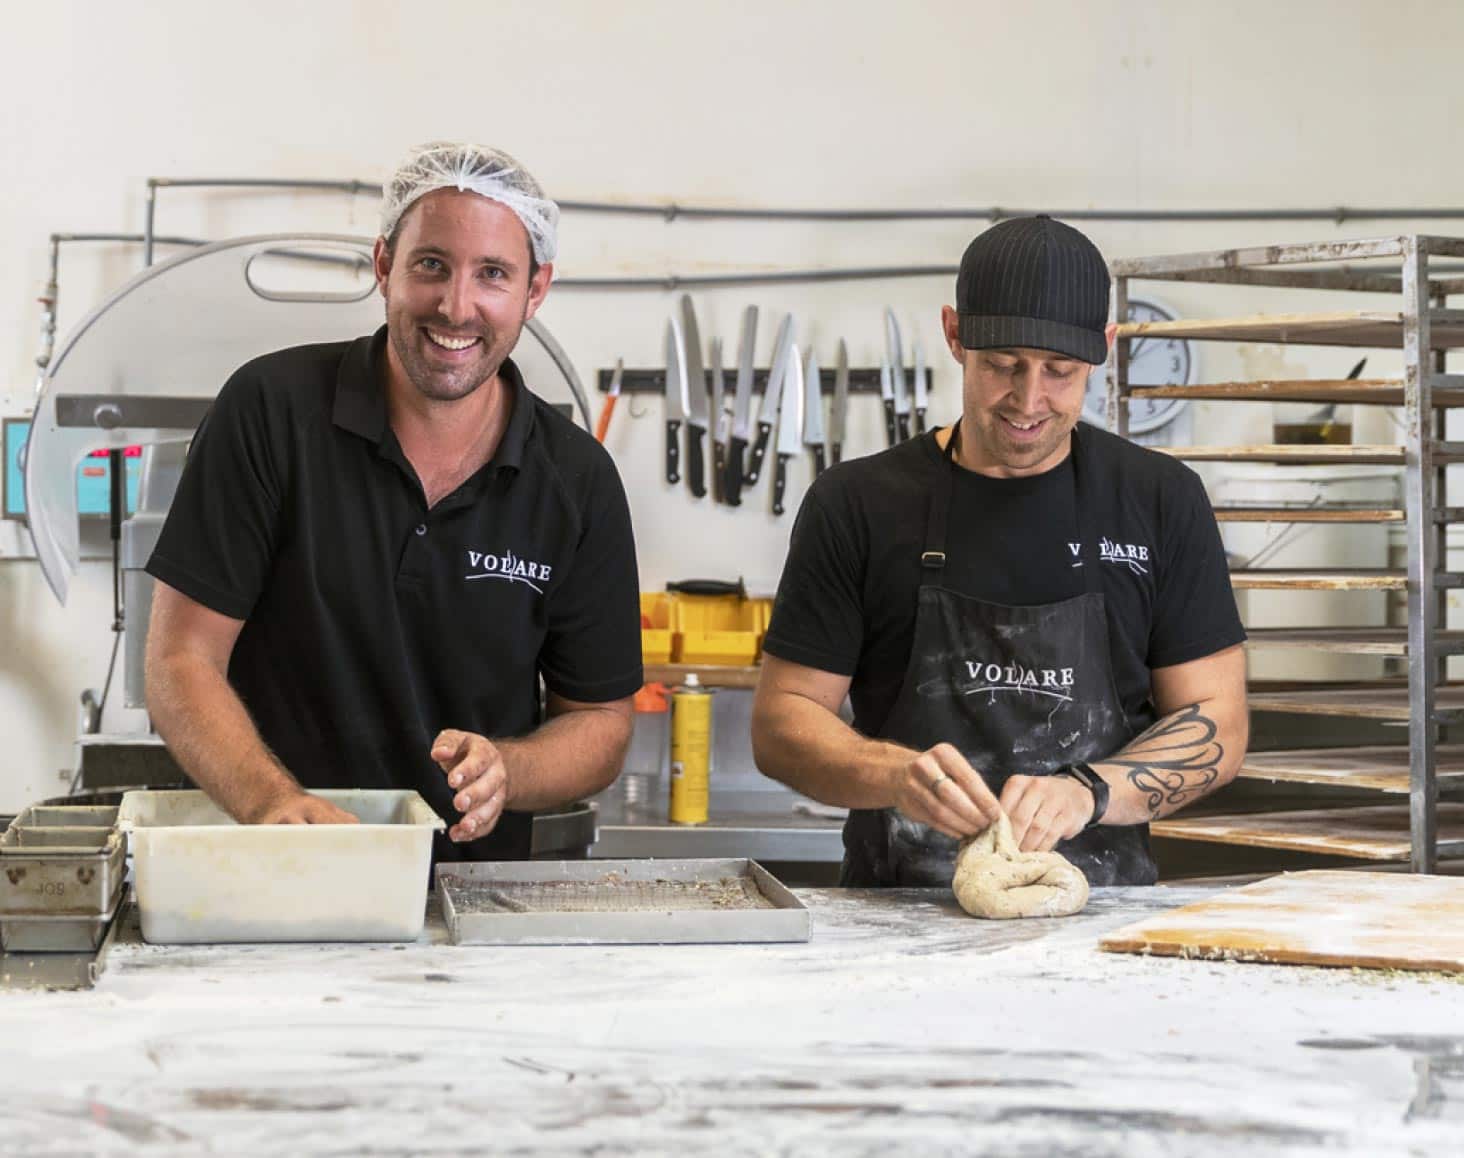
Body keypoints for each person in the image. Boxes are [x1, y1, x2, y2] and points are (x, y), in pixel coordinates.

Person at [144, 142, 643, 861]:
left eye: (493, 274)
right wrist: (272, 802)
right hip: (271, 874)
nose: (456, 306)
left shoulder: (577, 479)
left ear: (536, 292)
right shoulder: (270, 413)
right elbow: (180, 660)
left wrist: (512, 768)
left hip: (475, 902)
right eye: (431, 264)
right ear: (384, 265)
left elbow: (600, 722)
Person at [751, 215, 1248, 887]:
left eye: (1060, 372)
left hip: (1099, 923)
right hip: (892, 922)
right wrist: (896, 776)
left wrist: (1088, 791)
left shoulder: (1160, 501)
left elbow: (1217, 719)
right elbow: (782, 721)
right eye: (1003, 366)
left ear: (1104, 348)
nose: (1028, 400)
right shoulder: (857, 503)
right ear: (956, 335)